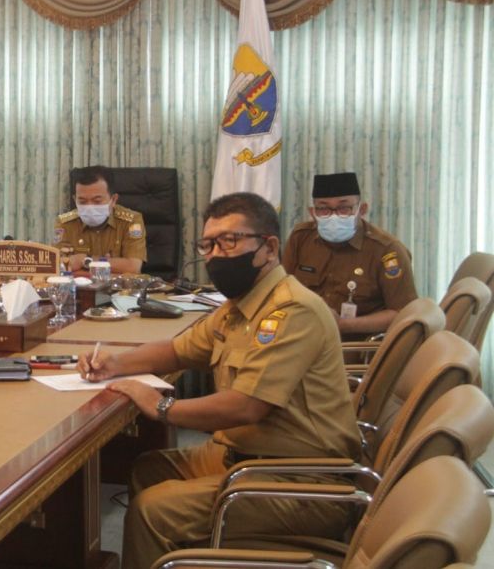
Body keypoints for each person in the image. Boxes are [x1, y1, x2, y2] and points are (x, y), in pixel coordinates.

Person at [78, 192, 360, 568]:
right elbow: (179, 350)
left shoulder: (291, 309)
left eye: (229, 241)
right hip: (243, 456)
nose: (214, 255)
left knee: (153, 511)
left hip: (300, 479)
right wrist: (115, 364)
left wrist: (163, 406)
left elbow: (246, 405)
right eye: (208, 244)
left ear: (269, 248)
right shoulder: (240, 304)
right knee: (149, 469)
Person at [282, 172, 417, 340]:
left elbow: (402, 313)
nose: (333, 215)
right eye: (323, 209)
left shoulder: (387, 250)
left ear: (362, 210)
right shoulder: (301, 238)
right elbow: (282, 291)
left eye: (344, 208)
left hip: (355, 350)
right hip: (302, 339)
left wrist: (343, 325)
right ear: (312, 212)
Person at [53, 166, 146, 274]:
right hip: (78, 289)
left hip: (118, 289)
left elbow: (133, 267)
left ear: (113, 200)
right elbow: (57, 266)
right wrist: (110, 265)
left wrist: (85, 260)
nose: (89, 206)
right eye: (82, 201)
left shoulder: (131, 221)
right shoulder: (64, 223)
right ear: (75, 200)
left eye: (97, 201)